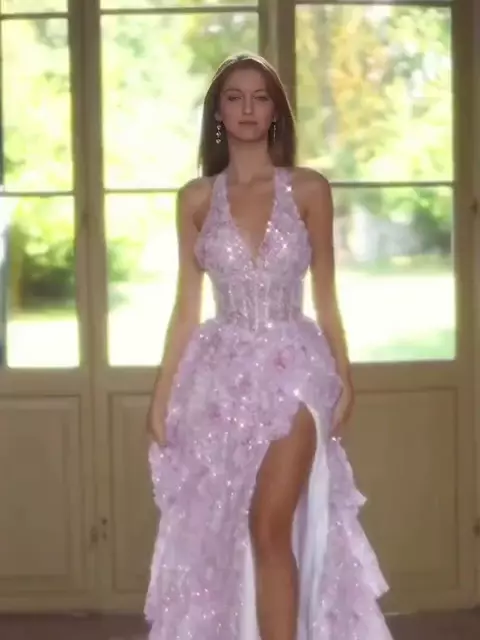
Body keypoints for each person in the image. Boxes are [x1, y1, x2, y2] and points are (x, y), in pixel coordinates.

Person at [145, 52, 394, 640]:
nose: (248, 109)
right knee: (226, 534)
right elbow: (186, 308)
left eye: (260, 98)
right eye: (234, 98)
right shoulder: (195, 200)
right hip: (219, 382)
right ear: (218, 113)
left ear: (276, 112)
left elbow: (327, 296)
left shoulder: (308, 190)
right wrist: (160, 397)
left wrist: (345, 377)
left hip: (295, 371)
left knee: (268, 525)